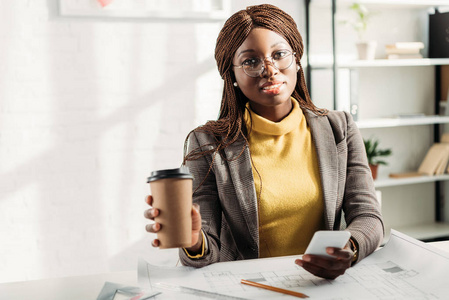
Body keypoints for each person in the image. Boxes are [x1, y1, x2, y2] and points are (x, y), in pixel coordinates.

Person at [144, 4, 383, 280]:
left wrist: (348, 249)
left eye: (279, 54)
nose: (269, 69)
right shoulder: (208, 144)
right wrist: (194, 239)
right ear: (231, 75)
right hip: (250, 288)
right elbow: (205, 250)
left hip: (323, 284)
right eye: (250, 61)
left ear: (296, 58)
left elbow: (368, 216)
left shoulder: (338, 129)